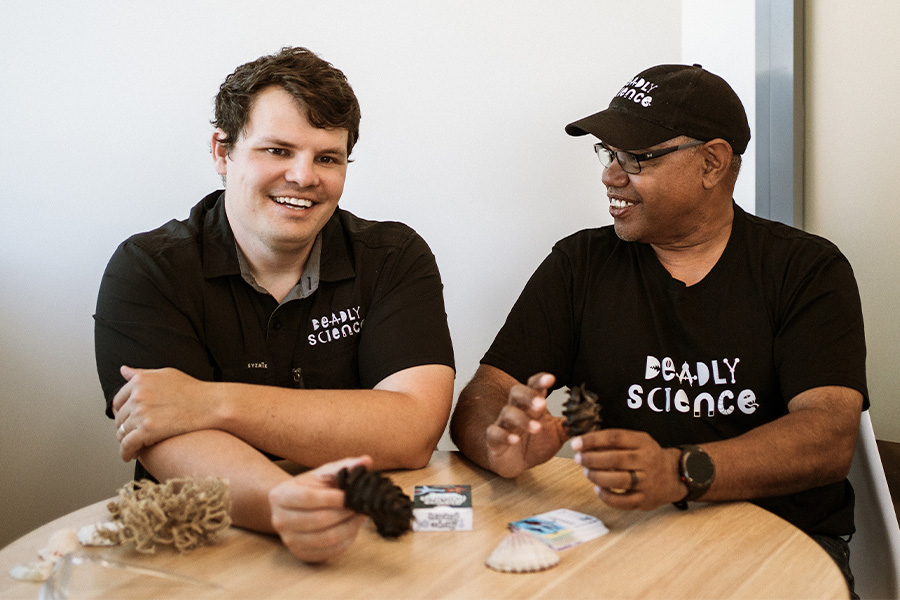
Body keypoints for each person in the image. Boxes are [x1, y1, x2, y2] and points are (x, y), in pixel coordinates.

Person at [449, 64, 867, 594]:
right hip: (619, 536)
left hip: (783, 546)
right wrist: (497, 444)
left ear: (712, 163)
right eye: (608, 154)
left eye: (637, 158)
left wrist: (680, 471)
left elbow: (828, 437)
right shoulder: (579, 264)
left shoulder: (805, 270)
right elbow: (487, 391)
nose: (611, 175)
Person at [94, 47, 455, 562]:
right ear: (222, 152)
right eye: (278, 151)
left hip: (358, 543)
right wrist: (282, 504)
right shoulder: (148, 268)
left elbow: (413, 430)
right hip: (197, 550)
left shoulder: (394, 256)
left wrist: (212, 402)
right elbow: (163, 433)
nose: (304, 177)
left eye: (327, 157)